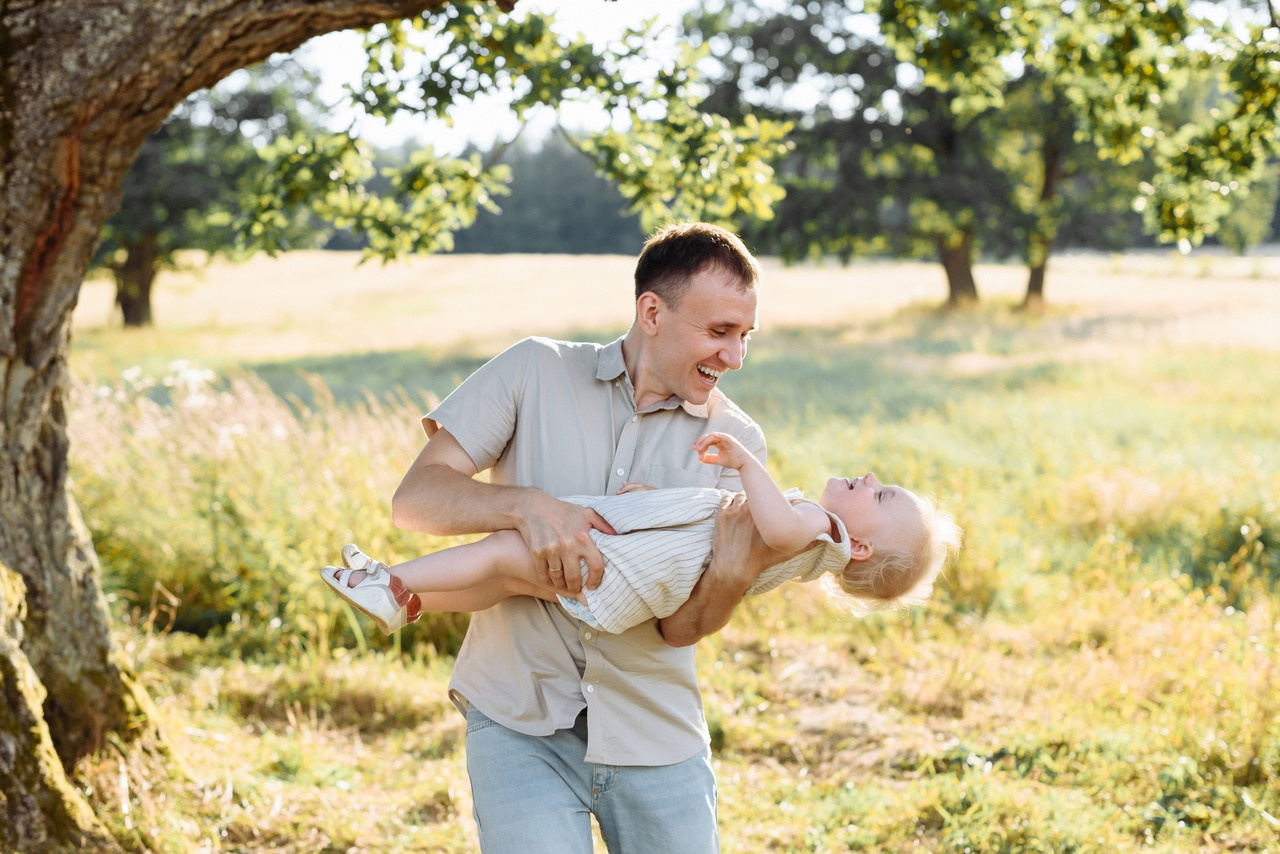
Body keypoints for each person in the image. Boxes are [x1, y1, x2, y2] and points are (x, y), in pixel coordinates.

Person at [380, 222, 772, 853]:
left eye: (745, 335)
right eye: (719, 331)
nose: (735, 356)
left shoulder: (737, 445)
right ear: (652, 312)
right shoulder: (533, 368)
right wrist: (527, 507)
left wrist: (728, 577)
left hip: (656, 735)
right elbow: (415, 500)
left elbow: (682, 629)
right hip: (516, 723)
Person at [321, 431, 961, 635]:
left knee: (502, 551)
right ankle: (411, 601)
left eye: (881, 495)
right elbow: (708, 526)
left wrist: (746, 462)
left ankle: (391, 580)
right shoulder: (813, 550)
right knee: (506, 580)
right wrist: (657, 503)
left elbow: (767, 521)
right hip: (639, 581)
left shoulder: (819, 527)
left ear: (861, 547)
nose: (870, 478)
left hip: (632, 565)